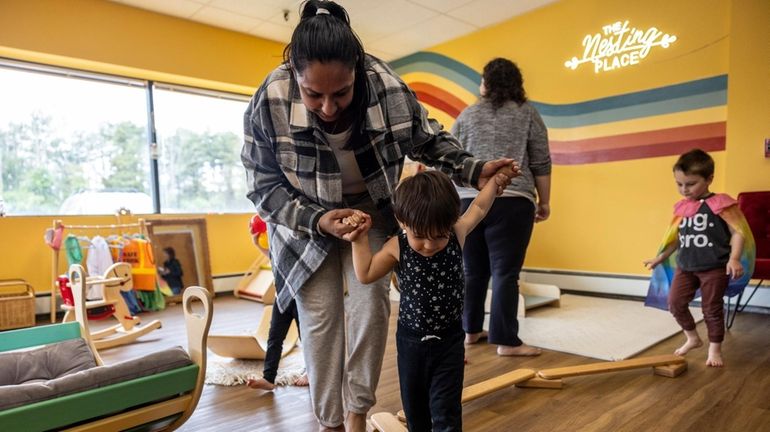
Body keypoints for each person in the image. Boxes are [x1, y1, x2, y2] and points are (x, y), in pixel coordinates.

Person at [241, 1, 518, 430]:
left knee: (371, 312)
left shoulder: (386, 86)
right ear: (294, 76)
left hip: (370, 212)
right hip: (303, 221)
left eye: (342, 93)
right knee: (320, 322)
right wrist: (320, 219)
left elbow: (428, 140)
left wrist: (474, 168)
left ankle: (356, 415)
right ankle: (330, 421)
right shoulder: (269, 99)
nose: (329, 107)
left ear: (358, 72)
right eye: (314, 94)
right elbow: (263, 187)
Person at [349, 169, 507, 431]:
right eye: (420, 237)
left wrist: (493, 183)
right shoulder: (396, 246)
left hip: (450, 341)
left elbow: (478, 207)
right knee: (416, 413)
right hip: (412, 344)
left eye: (438, 236)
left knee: (447, 412)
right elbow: (365, 274)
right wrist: (359, 239)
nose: (429, 245)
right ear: (402, 222)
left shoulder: (457, 232)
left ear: (451, 223)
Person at [451, 58, 551, 356]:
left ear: (486, 83)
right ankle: (506, 342)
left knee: (472, 270)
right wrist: (544, 201)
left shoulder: (466, 116)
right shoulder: (528, 114)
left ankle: (469, 331)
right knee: (505, 273)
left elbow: (451, 161)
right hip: (513, 201)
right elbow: (541, 161)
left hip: (467, 200)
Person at [644, 149, 754, 367]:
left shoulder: (721, 204)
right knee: (675, 302)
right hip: (685, 266)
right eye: (679, 184)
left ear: (709, 179)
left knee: (711, 308)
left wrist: (734, 258)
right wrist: (661, 257)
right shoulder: (683, 208)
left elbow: (738, 232)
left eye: (690, 184)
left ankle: (715, 349)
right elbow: (676, 239)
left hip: (714, 267)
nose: (684, 189)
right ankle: (693, 338)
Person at [245, 214, 308, 390]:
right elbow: (273, 258)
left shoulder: (296, 238)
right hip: (282, 296)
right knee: (274, 337)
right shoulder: (278, 243)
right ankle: (269, 378)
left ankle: (310, 371)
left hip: (300, 296)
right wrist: (257, 244)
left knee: (307, 338)